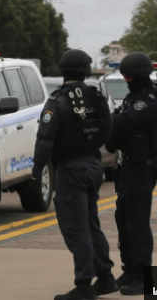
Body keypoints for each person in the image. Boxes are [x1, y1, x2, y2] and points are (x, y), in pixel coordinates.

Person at [31, 49, 118, 300]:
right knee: (92, 224)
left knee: (75, 228)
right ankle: (106, 278)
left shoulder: (57, 101)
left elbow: (44, 141)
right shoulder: (95, 96)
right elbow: (108, 128)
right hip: (93, 165)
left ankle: (83, 285)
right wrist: (92, 146)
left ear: (63, 71)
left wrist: (37, 171)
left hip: (70, 169)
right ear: (86, 70)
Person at [105, 51, 157, 295]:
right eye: (125, 77)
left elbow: (124, 121)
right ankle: (130, 268)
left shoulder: (150, 99)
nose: (127, 81)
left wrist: (106, 121)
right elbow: (119, 120)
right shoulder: (132, 97)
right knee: (124, 218)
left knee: (138, 220)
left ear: (140, 75)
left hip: (144, 166)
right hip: (129, 165)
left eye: (130, 77)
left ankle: (143, 274)